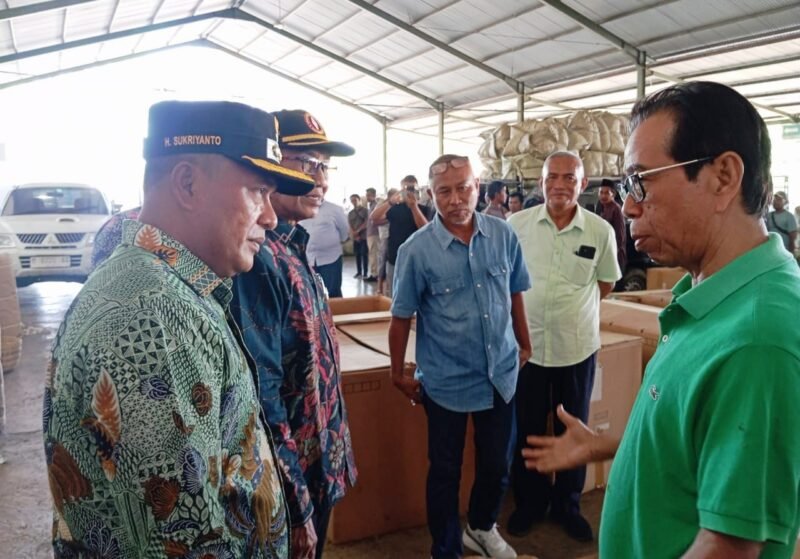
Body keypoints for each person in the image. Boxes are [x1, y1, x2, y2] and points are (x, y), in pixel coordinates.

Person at [523, 82, 800, 559]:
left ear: (723, 177)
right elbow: (698, 443)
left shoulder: (757, 340)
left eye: (641, 182)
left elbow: (728, 546)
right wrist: (611, 446)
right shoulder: (710, 299)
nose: (629, 205)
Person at [43, 100, 316, 558]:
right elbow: (186, 541)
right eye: (256, 191)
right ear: (187, 184)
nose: (270, 217)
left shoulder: (170, 291)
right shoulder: (151, 318)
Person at [389, 154, 532, 559]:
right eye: (444, 191)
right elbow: (401, 318)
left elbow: (515, 291)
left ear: (478, 186)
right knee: (445, 472)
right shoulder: (416, 251)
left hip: (501, 374)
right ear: (431, 196)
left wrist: (525, 343)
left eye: (463, 188)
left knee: (497, 464)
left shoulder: (503, 235)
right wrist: (398, 373)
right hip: (446, 381)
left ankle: (482, 526)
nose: (456, 200)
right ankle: (446, 547)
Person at [231, 109, 357, 559]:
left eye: (324, 166)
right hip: (289, 480)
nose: (319, 179)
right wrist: (297, 504)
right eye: (306, 163)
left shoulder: (293, 245)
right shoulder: (258, 257)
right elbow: (262, 394)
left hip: (316, 462)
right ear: (268, 164)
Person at [506, 151, 620, 543]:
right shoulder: (515, 226)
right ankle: (531, 503)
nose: (559, 184)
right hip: (528, 350)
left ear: (582, 183)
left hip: (577, 349)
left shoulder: (599, 231)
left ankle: (568, 504)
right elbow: (506, 284)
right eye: (552, 177)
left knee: (575, 428)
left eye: (568, 178)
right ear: (540, 183)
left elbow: (606, 283)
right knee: (529, 430)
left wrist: (574, 311)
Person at [370, 175, 432, 297]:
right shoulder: (395, 208)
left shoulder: (424, 209)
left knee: (419, 295)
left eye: (412, 188)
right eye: (406, 188)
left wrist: (414, 206)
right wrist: (390, 202)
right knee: (396, 295)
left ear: (417, 189)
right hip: (395, 258)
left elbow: (426, 230)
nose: (409, 191)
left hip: (418, 259)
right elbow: (374, 217)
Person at [298, 157, 349, 298]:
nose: (318, 187)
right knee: (311, 295)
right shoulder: (299, 208)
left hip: (330, 259)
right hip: (307, 259)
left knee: (333, 293)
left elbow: (345, 233)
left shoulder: (335, 210)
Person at [596, 178, 627, 275]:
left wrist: (612, 254)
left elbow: (620, 236)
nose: (603, 196)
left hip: (614, 255)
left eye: (606, 193)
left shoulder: (616, 210)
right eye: (601, 192)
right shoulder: (600, 207)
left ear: (613, 194)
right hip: (603, 254)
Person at [375, 188, 397, 296]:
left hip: (395, 235)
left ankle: (389, 286)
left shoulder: (398, 206)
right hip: (385, 236)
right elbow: (375, 220)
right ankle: (379, 286)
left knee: (391, 263)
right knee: (382, 261)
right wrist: (390, 219)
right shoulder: (383, 206)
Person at [348, 193, 369, 278]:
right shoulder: (351, 213)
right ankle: (359, 272)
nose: (353, 202)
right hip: (355, 237)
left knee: (364, 254)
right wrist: (354, 233)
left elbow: (367, 222)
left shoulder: (365, 211)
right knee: (357, 255)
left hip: (364, 236)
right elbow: (350, 224)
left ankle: (365, 273)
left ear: (359, 200)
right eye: (352, 201)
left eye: (355, 200)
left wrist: (358, 231)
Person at [364, 187, 379, 281]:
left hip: (374, 233)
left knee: (374, 254)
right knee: (372, 253)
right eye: (366, 195)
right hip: (370, 233)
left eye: (368, 195)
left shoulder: (376, 206)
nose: (367, 197)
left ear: (373, 195)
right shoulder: (371, 206)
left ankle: (375, 274)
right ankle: (374, 272)